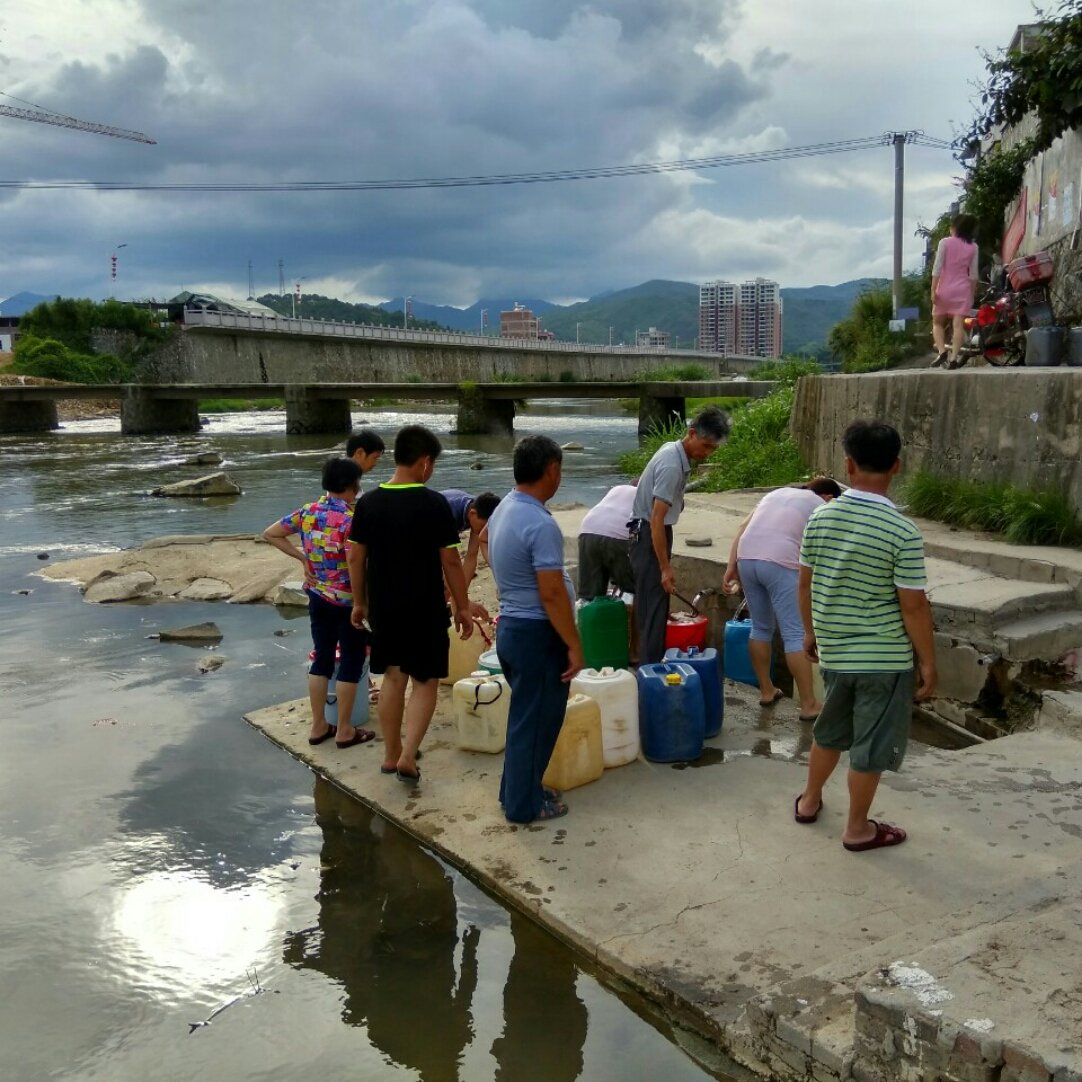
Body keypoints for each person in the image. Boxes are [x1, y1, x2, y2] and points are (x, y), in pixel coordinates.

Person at [794, 421, 937, 853]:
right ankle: (858, 829)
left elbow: (805, 583)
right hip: (884, 661)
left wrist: (810, 632)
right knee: (870, 747)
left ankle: (809, 801)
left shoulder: (820, 515)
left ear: (848, 464)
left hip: (835, 653)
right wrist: (928, 663)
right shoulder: (902, 531)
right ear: (896, 467)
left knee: (829, 731)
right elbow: (913, 605)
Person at [347, 424, 477, 785]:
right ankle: (409, 754)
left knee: (392, 676)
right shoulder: (433, 504)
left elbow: (356, 557)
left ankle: (390, 755)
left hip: (384, 607)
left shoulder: (369, 502)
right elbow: (450, 561)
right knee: (425, 680)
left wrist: (360, 602)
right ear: (424, 463)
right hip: (425, 607)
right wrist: (462, 606)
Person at [487, 435, 584, 824]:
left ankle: (516, 790)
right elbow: (552, 594)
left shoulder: (504, 509)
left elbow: (485, 543)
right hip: (536, 635)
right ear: (553, 470)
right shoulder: (540, 523)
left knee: (525, 718)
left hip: (511, 627)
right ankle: (524, 806)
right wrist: (574, 645)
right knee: (539, 721)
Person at [262, 456, 374, 749]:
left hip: (316, 595)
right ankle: (346, 730)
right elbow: (354, 561)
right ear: (353, 486)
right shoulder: (352, 520)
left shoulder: (307, 512)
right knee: (351, 660)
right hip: (347, 600)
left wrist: (303, 558)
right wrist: (362, 601)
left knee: (322, 657)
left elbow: (271, 533)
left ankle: (318, 725)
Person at [722, 477, 843, 718]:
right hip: (780, 561)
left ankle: (766, 690)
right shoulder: (822, 505)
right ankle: (809, 705)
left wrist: (730, 566)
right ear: (829, 497)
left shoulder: (776, 493)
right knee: (795, 633)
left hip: (747, 558)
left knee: (760, 627)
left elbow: (742, 527)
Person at [629, 406, 729, 664]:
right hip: (649, 535)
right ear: (692, 433)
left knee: (655, 610)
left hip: (651, 533)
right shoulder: (672, 464)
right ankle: (649, 677)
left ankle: (647, 669)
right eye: (706, 446)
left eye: (713, 450)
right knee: (653, 614)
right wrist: (664, 568)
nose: (707, 454)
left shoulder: (673, 451)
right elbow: (656, 519)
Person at [931, 213, 979, 368]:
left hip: (945, 288)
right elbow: (973, 275)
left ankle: (941, 351)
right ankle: (953, 359)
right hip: (963, 290)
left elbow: (937, 268)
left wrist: (933, 290)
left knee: (937, 323)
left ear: (955, 228)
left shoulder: (944, 242)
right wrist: (971, 295)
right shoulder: (974, 247)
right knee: (958, 325)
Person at [576, 483, 637, 600]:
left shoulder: (617, 489)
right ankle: (632, 615)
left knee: (589, 594)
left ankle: (587, 615)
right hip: (617, 535)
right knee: (632, 587)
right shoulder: (645, 492)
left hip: (588, 530)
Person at [440, 489, 501, 583]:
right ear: (472, 513)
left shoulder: (479, 509)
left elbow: (471, 556)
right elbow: (450, 561)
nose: (484, 533)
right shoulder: (450, 513)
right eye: (482, 527)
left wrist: (462, 595)